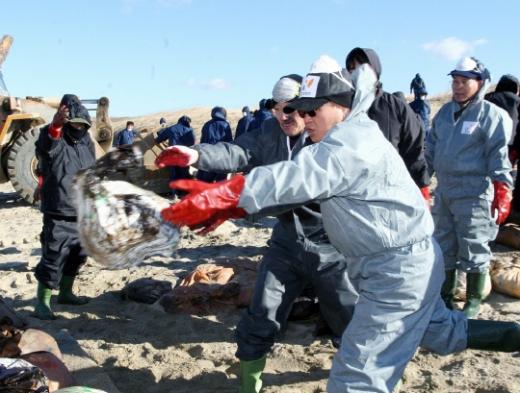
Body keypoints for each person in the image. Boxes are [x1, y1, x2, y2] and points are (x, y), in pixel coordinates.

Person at [158, 56, 520, 393]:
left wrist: (221, 198)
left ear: (341, 107)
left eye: (313, 110)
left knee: (355, 379)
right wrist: (223, 192)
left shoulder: (347, 145)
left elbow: (293, 178)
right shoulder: (344, 130)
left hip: (395, 274)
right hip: (393, 263)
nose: (305, 117)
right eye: (300, 109)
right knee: (442, 332)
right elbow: (262, 164)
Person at [155, 71, 356, 393]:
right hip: (287, 240)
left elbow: (297, 189)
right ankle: (251, 386)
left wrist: (231, 203)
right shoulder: (268, 131)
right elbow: (236, 151)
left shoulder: (331, 140)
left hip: (332, 242)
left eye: (289, 108)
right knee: (262, 312)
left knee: (350, 317)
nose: (282, 115)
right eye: (275, 108)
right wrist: (197, 154)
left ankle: (376, 377)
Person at [426, 57, 513, 318]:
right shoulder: (443, 114)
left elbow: (499, 154)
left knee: (474, 245)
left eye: (464, 81)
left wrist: (502, 189)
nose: (458, 86)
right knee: (444, 244)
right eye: (455, 81)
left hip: (474, 192)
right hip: (444, 192)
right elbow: (431, 149)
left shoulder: (492, 115)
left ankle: (473, 300)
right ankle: (445, 296)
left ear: (480, 83)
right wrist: (421, 179)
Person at [33, 94, 96, 320]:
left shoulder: (87, 141)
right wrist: (56, 126)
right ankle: (42, 302)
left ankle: (66, 293)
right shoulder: (54, 137)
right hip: (58, 210)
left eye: (82, 125)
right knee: (53, 257)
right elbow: (46, 146)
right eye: (74, 124)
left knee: (77, 255)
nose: (78, 128)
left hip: (83, 211)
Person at [345, 48, 431, 203]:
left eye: (364, 68)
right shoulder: (341, 108)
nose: (358, 73)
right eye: (352, 69)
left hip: (391, 194)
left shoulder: (395, 107)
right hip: (351, 196)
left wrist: (422, 187)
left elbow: (414, 150)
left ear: (376, 70)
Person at [485, 74, 520, 218]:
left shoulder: (488, 99)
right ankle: (503, 210)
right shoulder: (517, 101)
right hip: (509, 145)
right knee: (506, 174)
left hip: (486, 143)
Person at [155, 115, 195, 195]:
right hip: (184, 154)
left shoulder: (172, 128)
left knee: (174, 173)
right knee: (184, 173)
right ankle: (184, 192)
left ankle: (174, 193)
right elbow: (192, 142)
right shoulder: (189, 129)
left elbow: (159, 139)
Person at [196, 106, 233, 182]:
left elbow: (203, 141)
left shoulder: (207, 125)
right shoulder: (225, 125)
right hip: (222, 156)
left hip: (209, 155)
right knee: (221, 180)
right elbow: (229, 141)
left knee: (207, 179)